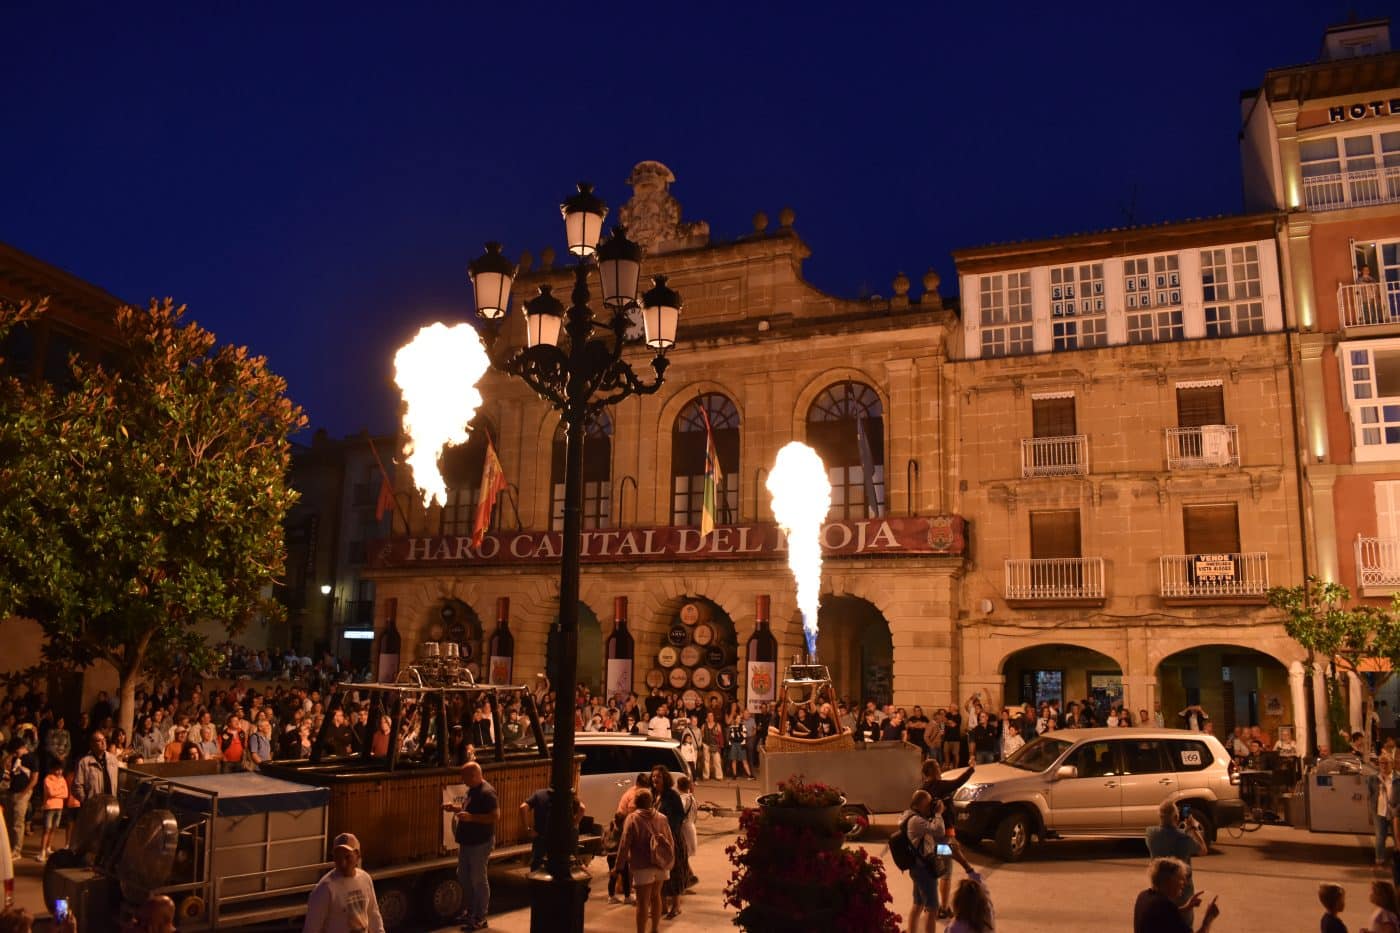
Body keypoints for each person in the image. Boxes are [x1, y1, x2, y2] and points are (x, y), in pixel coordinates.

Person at [445, 761, 497, 931]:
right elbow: (470, 808)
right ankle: (470, 912)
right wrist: (455, 808)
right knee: (464, 876)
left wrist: (471, 818)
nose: (462, 780)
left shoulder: (487, 793)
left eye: (464, 777)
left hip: (480, 843)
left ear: (474, 775)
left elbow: (495, 817)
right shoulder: (473, 790)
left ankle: (481, 917)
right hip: (467, 842)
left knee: (478, 879)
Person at [613, 789, 673, 933]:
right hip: (660, 864)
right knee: (656, 896)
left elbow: (624, 844)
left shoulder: (632, 818)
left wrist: (618, 867)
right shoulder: (662, 818)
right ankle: (655, 929)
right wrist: (671, 862)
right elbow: (670, 841)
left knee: (642, 902)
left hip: (642, 865)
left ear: (636, 803)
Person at [302, 832, 384, 933]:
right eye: (338, 857)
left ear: (357, 855)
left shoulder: (365, 879)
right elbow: (311, 929)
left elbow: (373, 913)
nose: (342, 863)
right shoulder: (325, 889)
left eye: (347, 857)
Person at [1145, 800, 1208, 926]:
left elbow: (1167, 837)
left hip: (1159, 891)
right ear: (1176, 817)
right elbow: (1203, 850)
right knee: (1183, 925)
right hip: (1181, 892)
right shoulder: (1184, 839)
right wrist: (1193, 828)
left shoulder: (1151, 835)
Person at [1134, 857, 1218, 933]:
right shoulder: (1164, 905)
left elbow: (1164, 917)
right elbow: (1167, 913)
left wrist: (1186, 907)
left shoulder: (1144, 896)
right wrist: (1208, 919)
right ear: (1167, 881)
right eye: (1180, 878)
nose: (1183, 883)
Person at [651, 766, 688, 921]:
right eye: (653, 776)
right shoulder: (655, 795)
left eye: (658, 776)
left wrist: (669, 834)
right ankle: (663, 906)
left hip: (673, 839)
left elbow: (679, 816)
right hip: (660, 839)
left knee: (675, 871)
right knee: (661, 873)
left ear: (664, 778)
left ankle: (676, 906)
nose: (655, 779)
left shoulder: (671, 795)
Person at [519, 785, 584, 873]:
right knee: (562, 865)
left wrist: (527, 828)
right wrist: (573, 824)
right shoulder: (568, 794)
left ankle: (535, 885)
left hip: (541, 836)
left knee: (537, 865)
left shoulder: (539, 794)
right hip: (563, 838)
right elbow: (582, 808)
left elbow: (523, 807)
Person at [3, 740, 37, 859]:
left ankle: (17, 850)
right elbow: (7, 770)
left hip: (22, 793)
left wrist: (24, 793)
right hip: (10, 791)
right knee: (9, 821)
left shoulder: (32, 758)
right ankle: (9, 847)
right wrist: (9, 758)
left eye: (16, 751)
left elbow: (34, 779)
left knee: (18, 823)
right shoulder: (13, 758)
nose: (15, 754)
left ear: (22, 747)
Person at [72, 731, 119, 806]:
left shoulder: (113, 760)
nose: (103, 742)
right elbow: (76, 786)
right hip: (93, 807)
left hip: (111, 805)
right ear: (92, 744)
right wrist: (87, 801)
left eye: (104, 739)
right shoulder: (84, 762)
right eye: (99, 741)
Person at [1371, 755, 1400, 868]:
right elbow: (1371, 795)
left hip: (1395, 813)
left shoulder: (1397, 778)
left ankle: (1396, 861)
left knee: (1397, 837)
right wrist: (1371, 812)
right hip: (1380, 812)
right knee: (1380, 837)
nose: (1383, 765)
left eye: (1386, 763)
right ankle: (1379, 861)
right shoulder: (1374, 778)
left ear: (1391, 764)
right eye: (1381, 763)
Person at [37, 761, 68, 863]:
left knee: (54, 828)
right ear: (53, 769)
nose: (59, 772)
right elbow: (50, 793)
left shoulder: (63, 779)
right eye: (57, 770)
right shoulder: (48, 779)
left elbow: (66, 794)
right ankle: (42, 851)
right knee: (47, 829)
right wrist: (59, 792)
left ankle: (48, 847)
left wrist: (57, 792)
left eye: (61, 770)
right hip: (49, 806)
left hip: (59, 807)